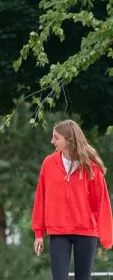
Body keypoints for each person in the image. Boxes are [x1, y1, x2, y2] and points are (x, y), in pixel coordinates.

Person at [32, 119, 113, 280]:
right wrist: (38, 233)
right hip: (58, 231)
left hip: (86, 231)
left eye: (56, 138)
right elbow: (40, 198)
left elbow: (102, 203)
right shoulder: (49, 163)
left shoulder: (92, 167)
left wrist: (106, 237)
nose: (52, 141)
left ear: (69, 140)